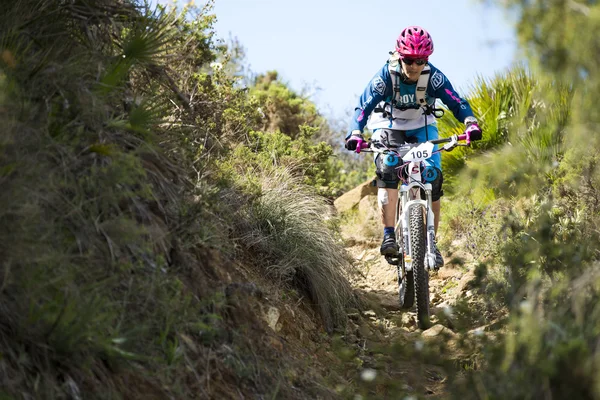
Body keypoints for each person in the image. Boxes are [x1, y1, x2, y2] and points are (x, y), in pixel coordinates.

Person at [344, 26, 482, 268]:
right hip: (388, 125)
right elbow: (363, 106)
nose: (414, 66)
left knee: (433, 177)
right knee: (388, 168)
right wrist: (355, 132)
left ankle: (431, 242)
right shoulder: (385, 76)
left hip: (422, 126)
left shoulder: (434, 77)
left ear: (426, 59)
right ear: (400, 56)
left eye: (420, 60)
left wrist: (470, 122)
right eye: (409, 60)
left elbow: (456, 102)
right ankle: (388, 234)